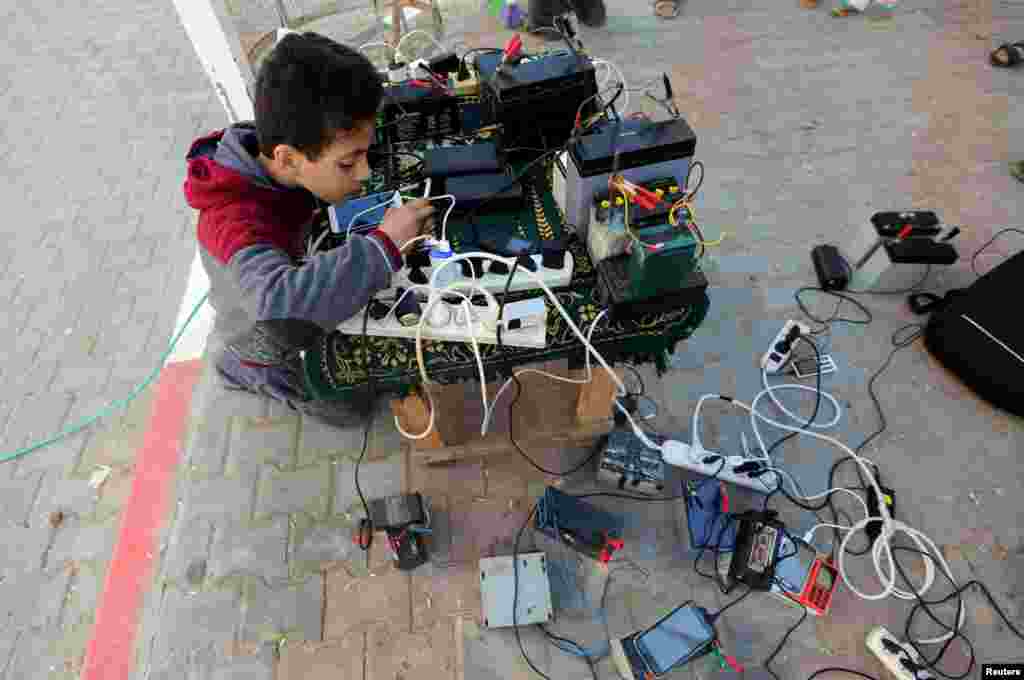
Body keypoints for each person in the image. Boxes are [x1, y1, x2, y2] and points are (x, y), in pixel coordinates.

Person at [183, 32, 435, 427]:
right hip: (263, 338)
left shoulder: (280, 146)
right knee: (352, 408)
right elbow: (278, 307)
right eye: (349, 163)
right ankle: (241, 368)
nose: (365, 173)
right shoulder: (233, 220)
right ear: (287, 160)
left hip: (289, 269)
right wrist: (383, 246)